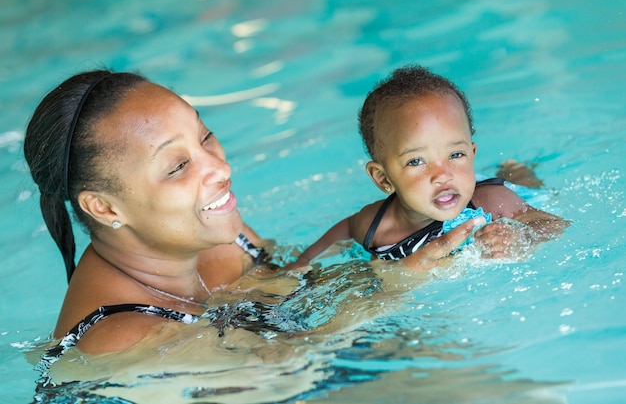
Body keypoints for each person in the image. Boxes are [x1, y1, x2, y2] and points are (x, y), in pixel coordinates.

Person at [24, 70, 279, 359]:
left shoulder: (214, 233)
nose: (221, 169)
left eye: (204, 136)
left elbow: (297, 284)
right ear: (105, 208)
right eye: (177, 166)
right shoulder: (123, 344)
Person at [295, 65, 569, 269]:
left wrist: (522, 236)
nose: (442, 173)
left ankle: (519, 170)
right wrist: (291, 272)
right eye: (416, 161)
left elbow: (554, 223)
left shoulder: (490, 202)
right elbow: (311, 257)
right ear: (383, 178)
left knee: (526, 185)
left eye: (456, 154)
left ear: (472, 155)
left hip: (509, 193)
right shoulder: (373, 226)